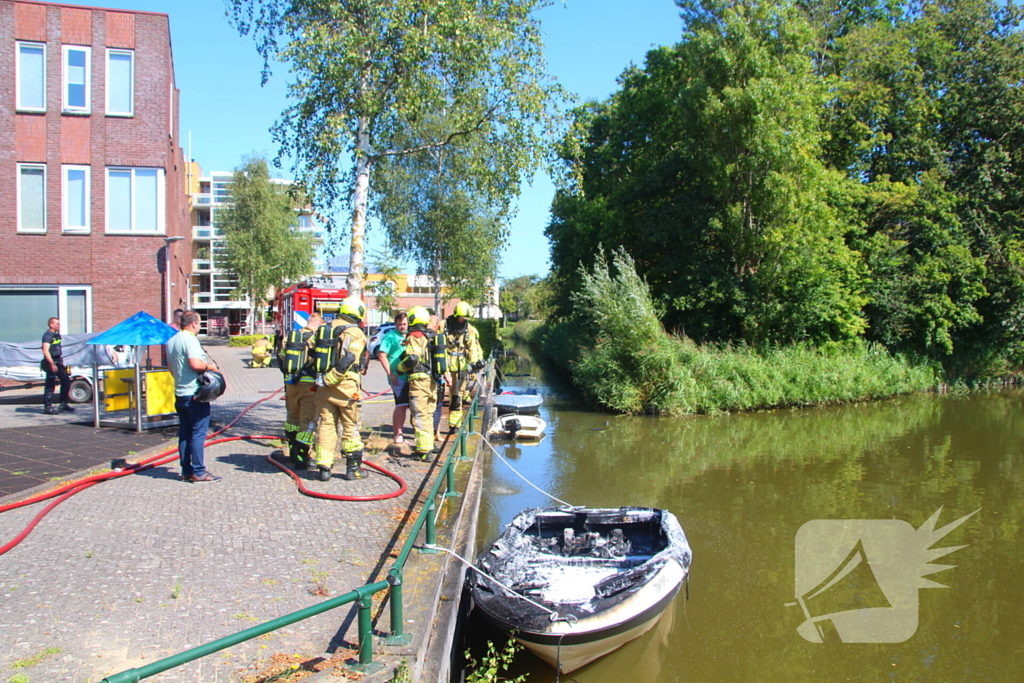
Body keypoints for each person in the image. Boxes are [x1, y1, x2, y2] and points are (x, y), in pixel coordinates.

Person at [312, 296, 368, 481]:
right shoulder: (356, 332)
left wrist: (324, 380)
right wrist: (332, 378)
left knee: (326, 426)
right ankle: (353, 469)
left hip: (323, 388)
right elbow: (350, 358)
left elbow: (311, 349)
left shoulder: (325, 328)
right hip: (345, 387)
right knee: (351, 426)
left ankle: (324, 469)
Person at [167, 310, 221, 483]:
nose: (199, 327)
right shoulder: (189, 339)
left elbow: (170, 367)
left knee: (184, 433)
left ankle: (186, 470)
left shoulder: (172, 340)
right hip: (195, 395)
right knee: (198, 434)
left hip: (180, 393)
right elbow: (196, 364)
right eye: (199, 323)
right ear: (193, 324)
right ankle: (199, 472)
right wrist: (211, 367)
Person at [398, 307, 443, 460]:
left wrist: (399, 368)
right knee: (428, 414)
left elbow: (412, 359)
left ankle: (424, 451)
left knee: (419, 414)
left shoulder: (415, 336)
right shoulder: (432, 335)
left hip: (419, 380)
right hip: (432, 381)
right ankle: (429, 445)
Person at [281, 312, 322, 468]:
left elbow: (282, 359)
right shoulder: (317, 339)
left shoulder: (290, 338)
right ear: (318, 324)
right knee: (307, 421)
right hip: (309, 386)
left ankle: (292, 449)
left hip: (291, 385)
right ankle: (302, 456)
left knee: (292, 418)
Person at [443, 301, 484, 430]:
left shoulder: (469, 329)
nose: (463, 320)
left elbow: (472, 347)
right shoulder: (443, 326)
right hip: (444, 366)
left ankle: (454, 424)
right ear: (456, 315)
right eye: (462, 317)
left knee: (457, 395)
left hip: (461, 368)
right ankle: (434, 427)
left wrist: (475, 362)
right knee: (436, 397)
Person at [376, 311, 410, 451]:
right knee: (401, 405)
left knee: (408, 405)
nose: (402, 326)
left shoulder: (409, 336)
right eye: (400, 324)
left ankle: (402, 433)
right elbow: (382, 355)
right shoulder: (390, 336)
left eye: (404, 324)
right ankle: (398, 435)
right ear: (395, 324)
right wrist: (391, 375)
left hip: (409, 376)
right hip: (397, 377)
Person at [40, 317, 72, 415]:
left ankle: (63, 403)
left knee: (66, 381)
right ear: (51, 325)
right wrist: (52, 364)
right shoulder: (47, 336)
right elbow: (45, 351)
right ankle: (48, 407)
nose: (59, 325)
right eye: (57, 324)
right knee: (50, 385)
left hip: (59, 362)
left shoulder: (56, 335)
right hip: (51, 363)